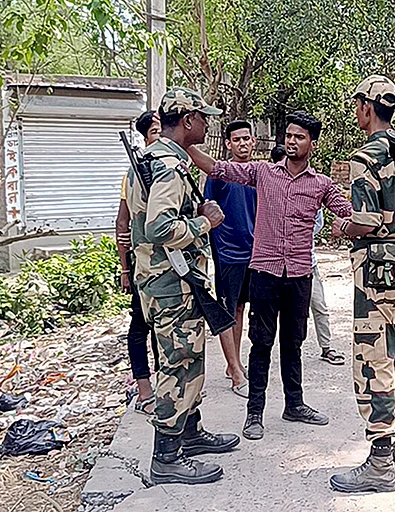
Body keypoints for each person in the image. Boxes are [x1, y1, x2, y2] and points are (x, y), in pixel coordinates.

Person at [187, 111, 353, 441]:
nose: (291, 141)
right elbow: (219, 169)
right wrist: (186, 144)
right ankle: (254, 413)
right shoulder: (263, 172)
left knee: (293, 343)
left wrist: (346, 226)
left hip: (300, 275)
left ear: (313, 144)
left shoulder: (321, 184)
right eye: (288, 135)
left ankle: (295, 404)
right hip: (264, 272)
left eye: (299, 137)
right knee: (261, 344)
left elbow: (349, 212)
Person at [126, 87, 240, 485]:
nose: (207, 123)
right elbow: (160, 227)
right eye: (203, 117)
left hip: (161, 280)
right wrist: (206, 221)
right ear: (188, 120)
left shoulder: (152, 157)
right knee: (180, 365)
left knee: (185, 361)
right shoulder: (169, 166)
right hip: (172, 283)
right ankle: (167, 457)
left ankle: (189, 433)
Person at [329, 75, 395, 493]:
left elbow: (368, 220)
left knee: (374, 360)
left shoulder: (366, 157)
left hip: (374, 274)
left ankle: (379, 463)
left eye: (358, 106)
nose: (357, 113)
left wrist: (342, 226)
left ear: (367, 108)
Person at [204, 120, 258, 399]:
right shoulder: (218, 174)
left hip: (255, 252)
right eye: (236, 139)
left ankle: (233, 363)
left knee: (241, 309)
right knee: (228, 309)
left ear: (254, 141)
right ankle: (236, 372)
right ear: (228, 144)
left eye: (246, 138)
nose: (242, 143)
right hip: (228, 252)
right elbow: (207, 208)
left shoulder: (260, 173)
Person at [116, 110, 160, 416]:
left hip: (169, 265)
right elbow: (122, 224)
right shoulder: (134, 173)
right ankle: (145, 390)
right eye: (155, 131)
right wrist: (125, 268)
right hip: (144, 264)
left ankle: (167, 388)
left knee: (163, 330)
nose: (160, 137)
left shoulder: (170, 168)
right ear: (145, 138)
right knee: (140, 326)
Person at [311, 209, 345, 365]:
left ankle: (326, 347)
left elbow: (317, 225)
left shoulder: (313, 199)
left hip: (308, 264)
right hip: (283, 262)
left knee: (319, 306)